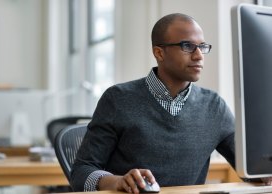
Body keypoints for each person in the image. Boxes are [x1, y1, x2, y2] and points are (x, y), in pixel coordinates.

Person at [71, 13, 271, 193]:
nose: (199, 55)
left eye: (202, 46)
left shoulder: (214, 106)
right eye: (187, 46)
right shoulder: (118, 99)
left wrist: (263, 172)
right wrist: (116, 181)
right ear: (159, 53)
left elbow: (252, 168)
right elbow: (81, 172)